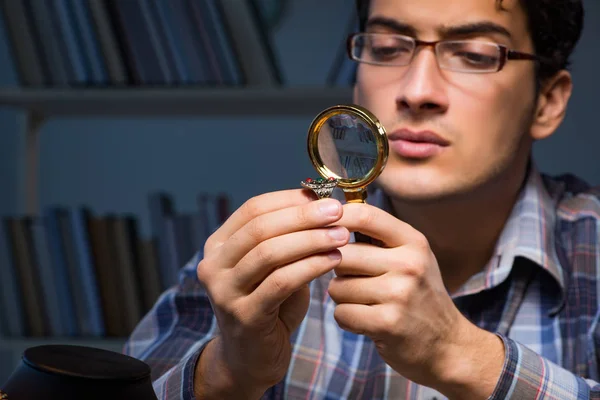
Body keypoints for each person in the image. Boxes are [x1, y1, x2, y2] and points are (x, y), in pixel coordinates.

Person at [124, 0, 599, 398]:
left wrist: (463, 356)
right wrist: (226, 371)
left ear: (547, 102)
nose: (416, 92)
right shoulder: (259, 260)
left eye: (474, 54)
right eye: (388, 48)